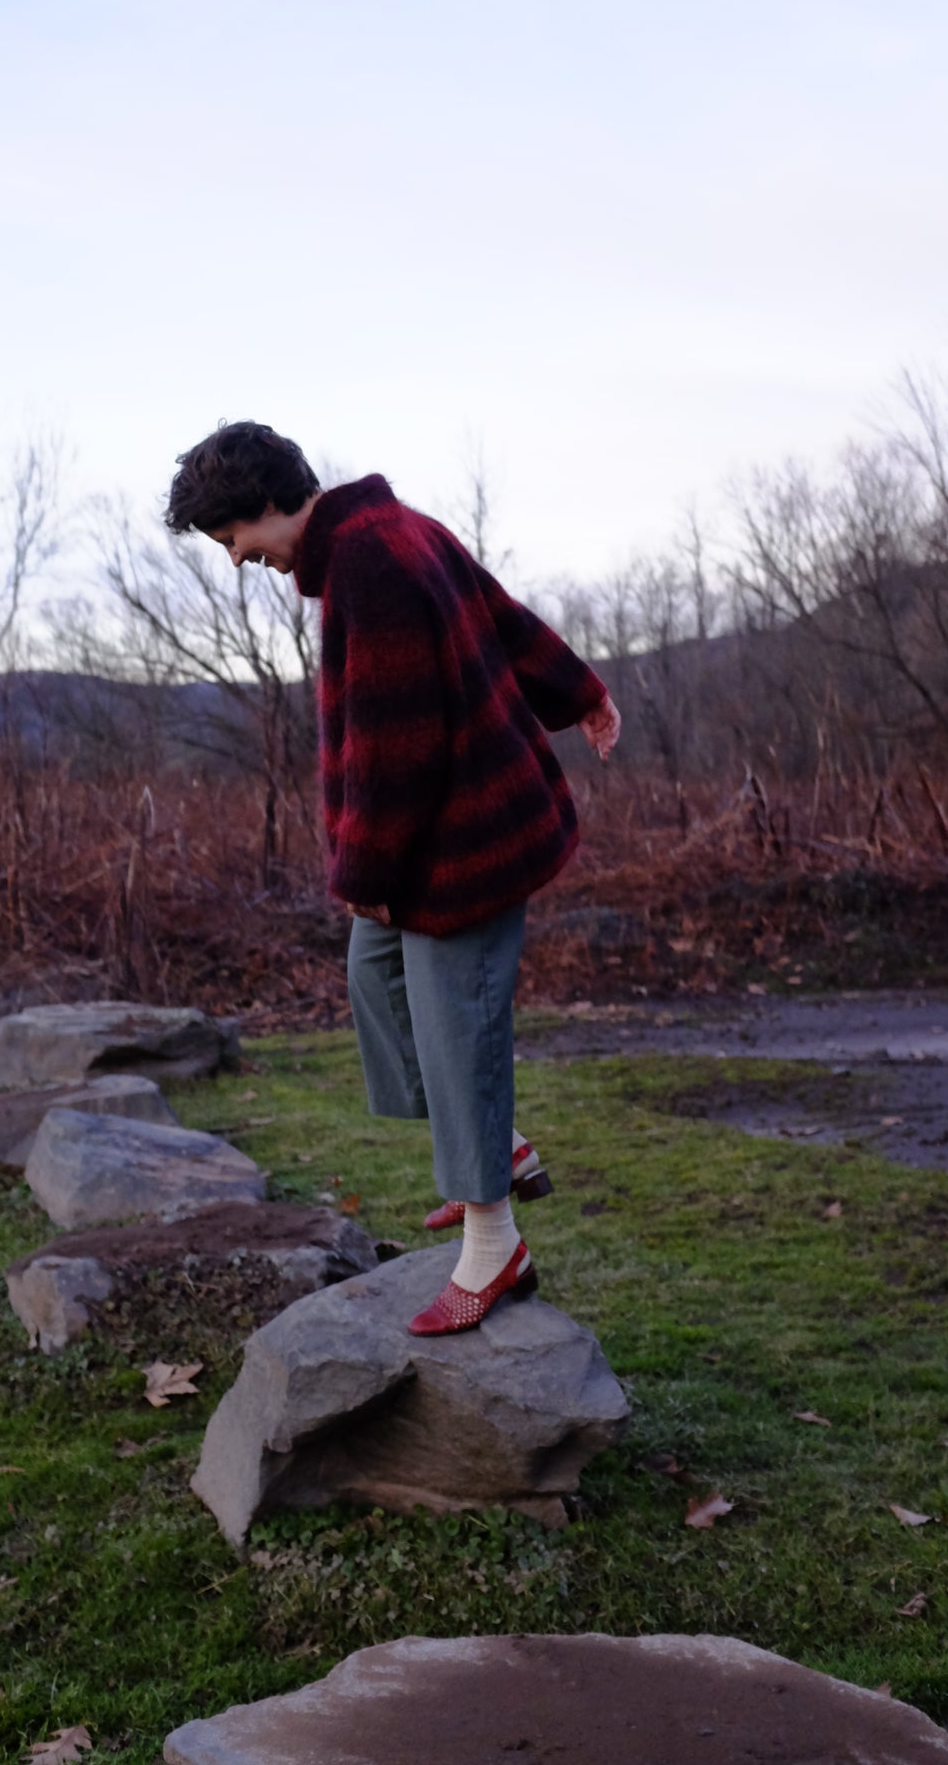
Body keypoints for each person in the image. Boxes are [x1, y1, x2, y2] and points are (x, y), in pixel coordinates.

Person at [165, 421, 620, 1336]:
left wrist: (365, 871)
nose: (238, 558)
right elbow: (497, 610)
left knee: (458, 1025)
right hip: (446, 832)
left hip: (465, 844)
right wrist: (578, 692)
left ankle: (495, 1246)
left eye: (232, 539)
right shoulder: (386, 529)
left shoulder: (369, 563)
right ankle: (495, 1141)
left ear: (261, 505)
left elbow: (390, 743)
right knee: (373, 978)